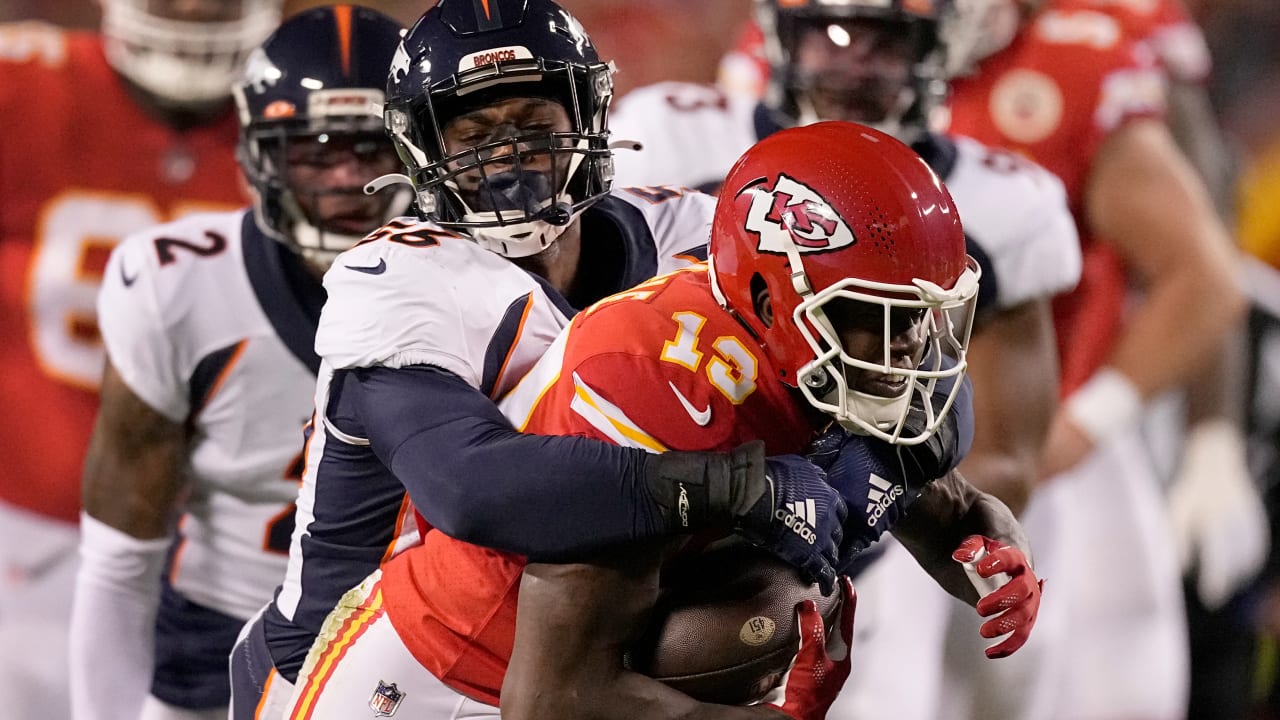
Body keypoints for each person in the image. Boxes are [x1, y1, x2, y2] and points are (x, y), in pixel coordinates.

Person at [228, 2, 873, 716]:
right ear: (422, 146)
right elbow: (475, 488)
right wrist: (742, 489)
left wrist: (870, 471)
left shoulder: (682, 228)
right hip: (369, 668)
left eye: (533, 128)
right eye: (471, 133)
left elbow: (869, 332)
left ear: (587, 117)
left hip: (555, 648)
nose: (505, 156)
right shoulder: (397, 276)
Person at [280, 122, 1043, 720]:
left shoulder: (837, 346)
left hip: (592, 677)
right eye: (882, 319)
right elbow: (553, 704)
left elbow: (933, 498)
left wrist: (989, 552)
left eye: (923, 315)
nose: (912, 349)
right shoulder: (656, 386)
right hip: (440, 676)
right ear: (773, 303)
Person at [605, 1, 1082, 717]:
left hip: (861, 569)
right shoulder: (672, 135)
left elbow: (1003, 453)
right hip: (662, 508)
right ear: (775, 33)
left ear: (939, 45)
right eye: (828, 32)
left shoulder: (992, 201)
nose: (853, 60)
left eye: (885, 39)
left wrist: (853, 502)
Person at [67, 7, 408, 720]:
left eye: (374, 149)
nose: (349, 179)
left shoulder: (494, 281)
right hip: (216, 645)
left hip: (416, 649)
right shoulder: (177, 284)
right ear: (260, 154)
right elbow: (120, 561)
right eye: (315, 151)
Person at [943, 0, 1248, 718]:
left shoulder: (1084, 49)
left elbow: (1204, 262)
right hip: (859, 459)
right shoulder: (799, 48)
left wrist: (1106, 426)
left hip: (1039, 448)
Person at [0, 1, 280, 717]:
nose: (191, 8)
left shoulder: (308, 121)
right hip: (23, 528)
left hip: (214, 553)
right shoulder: (23, 86)